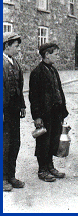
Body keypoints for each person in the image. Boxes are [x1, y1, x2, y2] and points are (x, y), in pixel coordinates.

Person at [29, 43, 69, 182]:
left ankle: (50, 166)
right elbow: (33, 97)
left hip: (56, 112)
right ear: (47, 55)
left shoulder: (53, 70)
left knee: (53, 140)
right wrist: (37, 117)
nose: (58, 57)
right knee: (43, 142)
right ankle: (42, 170)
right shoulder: (37, 73)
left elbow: (59, 91)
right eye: (56, 54)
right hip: (45, 114)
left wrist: (63, 111)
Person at [3, 32, 26, 191]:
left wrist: (22, 105)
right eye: (16, 46)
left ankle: (11, 175)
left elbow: (20, 87)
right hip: (3, 112)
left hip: (14, 111)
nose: (18, 49)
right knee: (4, 145)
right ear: (6, 46)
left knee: (15, 143)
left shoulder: (15, 64)